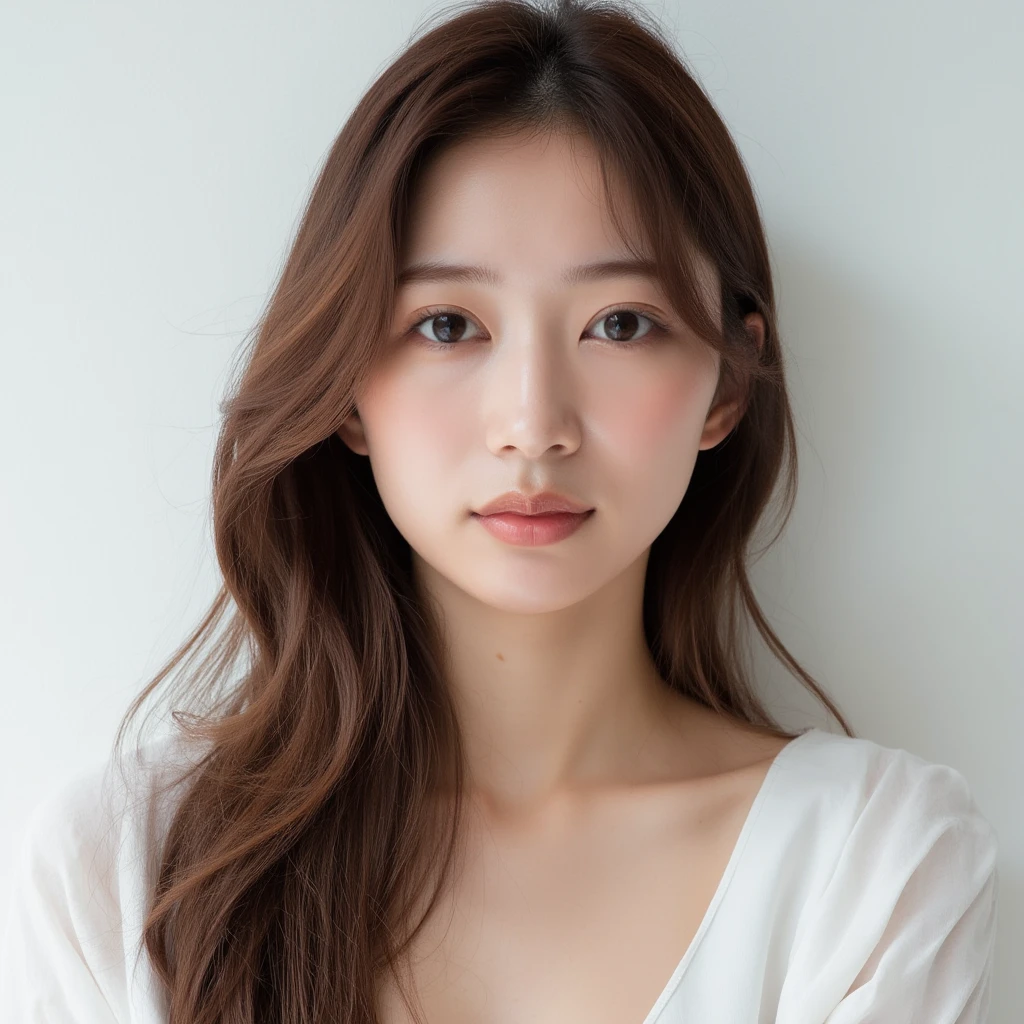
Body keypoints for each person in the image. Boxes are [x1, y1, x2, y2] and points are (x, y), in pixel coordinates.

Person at [0, 1, 998, 1021]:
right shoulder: (126, 876)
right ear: (346, 388)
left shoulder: (869, 869)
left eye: (619, 323)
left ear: (728, 386)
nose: (533, 425)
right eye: (447, 325)